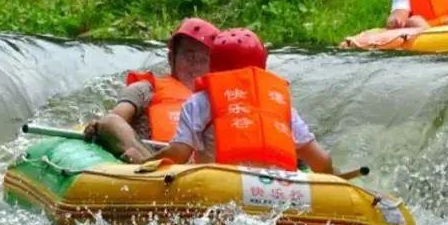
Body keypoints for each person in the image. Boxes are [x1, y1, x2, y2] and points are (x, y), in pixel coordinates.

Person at [141, 28, 333, 173]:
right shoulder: (279, 104)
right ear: (261, 65)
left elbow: (178, 154)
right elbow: (322, 162)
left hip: (220, 185)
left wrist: (144, 165)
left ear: (213, 65)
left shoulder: (199, 102)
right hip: (277, 190)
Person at [88, 17, 219, 162]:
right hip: (150, 155)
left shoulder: (219, 98)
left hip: (199, 167)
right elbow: (117, 117)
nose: (195, 66)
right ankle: (148, 163)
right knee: (110, 121)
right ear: (171, 58)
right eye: (189, 57)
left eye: (203, 60)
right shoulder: (145, 89)